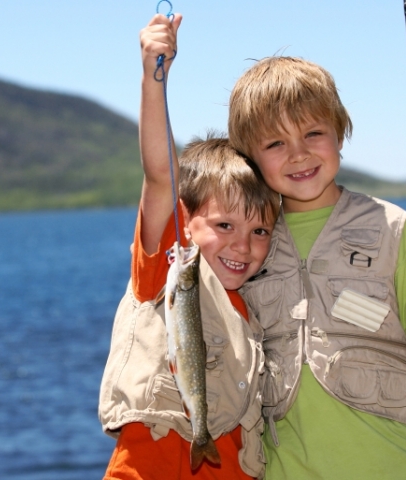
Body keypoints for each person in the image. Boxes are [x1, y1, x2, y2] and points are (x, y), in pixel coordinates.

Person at [227, 55, 406, 479]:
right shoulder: (247, 243)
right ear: (250, 158)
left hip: (392, 467)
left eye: (314, 133)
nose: (298, 154)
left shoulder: (392, 228)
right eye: (275, 143)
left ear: (340, 134)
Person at [98, 13, 278, 480]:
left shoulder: (253, 310)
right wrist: (153, 76)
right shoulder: (164, 271)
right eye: (223, 224)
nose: (243, 244)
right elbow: (160, 174)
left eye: (260, 231)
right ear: (185, 223)